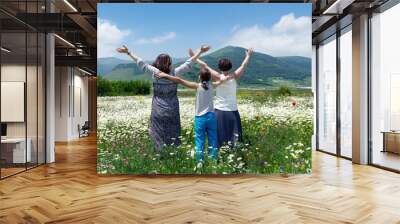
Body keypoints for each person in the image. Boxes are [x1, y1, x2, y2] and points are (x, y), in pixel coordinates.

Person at [116, 45, 209, 151]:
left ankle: (159, 152)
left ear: (157, 62)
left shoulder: (154, 72)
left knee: (158, 130)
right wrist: (200, 51)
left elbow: (140, 62)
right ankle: (174, 151)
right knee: (173, 130)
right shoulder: (175, 73)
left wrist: (128, 52)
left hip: (158, 108)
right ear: (169, 63)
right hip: (173, 108)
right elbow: (189, 63)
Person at [155, 65, 226, 162]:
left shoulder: (197, 86)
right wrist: (222, 75)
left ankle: (200, 163)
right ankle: (213, 161)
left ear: (199, 77)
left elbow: (179, 80)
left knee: (199, 141)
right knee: (213, 139)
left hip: (200, 118)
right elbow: (222, 80)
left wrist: (165, 75)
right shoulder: (212, 86)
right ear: (209, 78)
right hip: (211, 117)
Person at [189, 48, 254, 148]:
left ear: (219, 67)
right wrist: (248, 55)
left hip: (219, 110)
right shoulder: (234, 76)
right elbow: (243, 65)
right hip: (233, 110)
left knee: (219, 136)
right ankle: (235, 153)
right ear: (230, 67)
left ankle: (219, 155)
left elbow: (204, 65)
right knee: (234, 136)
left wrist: (194, 56)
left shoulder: (217, 77)